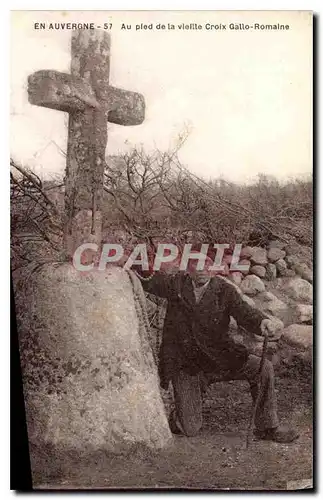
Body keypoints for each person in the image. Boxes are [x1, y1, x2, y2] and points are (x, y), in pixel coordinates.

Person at [139, 256, 299, 443]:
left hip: (221, 358)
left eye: (207, 264)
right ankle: (180, 414)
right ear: (188, 268)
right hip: (188, 365)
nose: (201, 269)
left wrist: (262, 321)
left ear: (214, 268)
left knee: (263, 368)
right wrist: (129, 264)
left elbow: (244, 312)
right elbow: (149, 280)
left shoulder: (224, 290)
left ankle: (268, 426)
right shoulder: (176, 284)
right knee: (189, 429)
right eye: (195, 264)